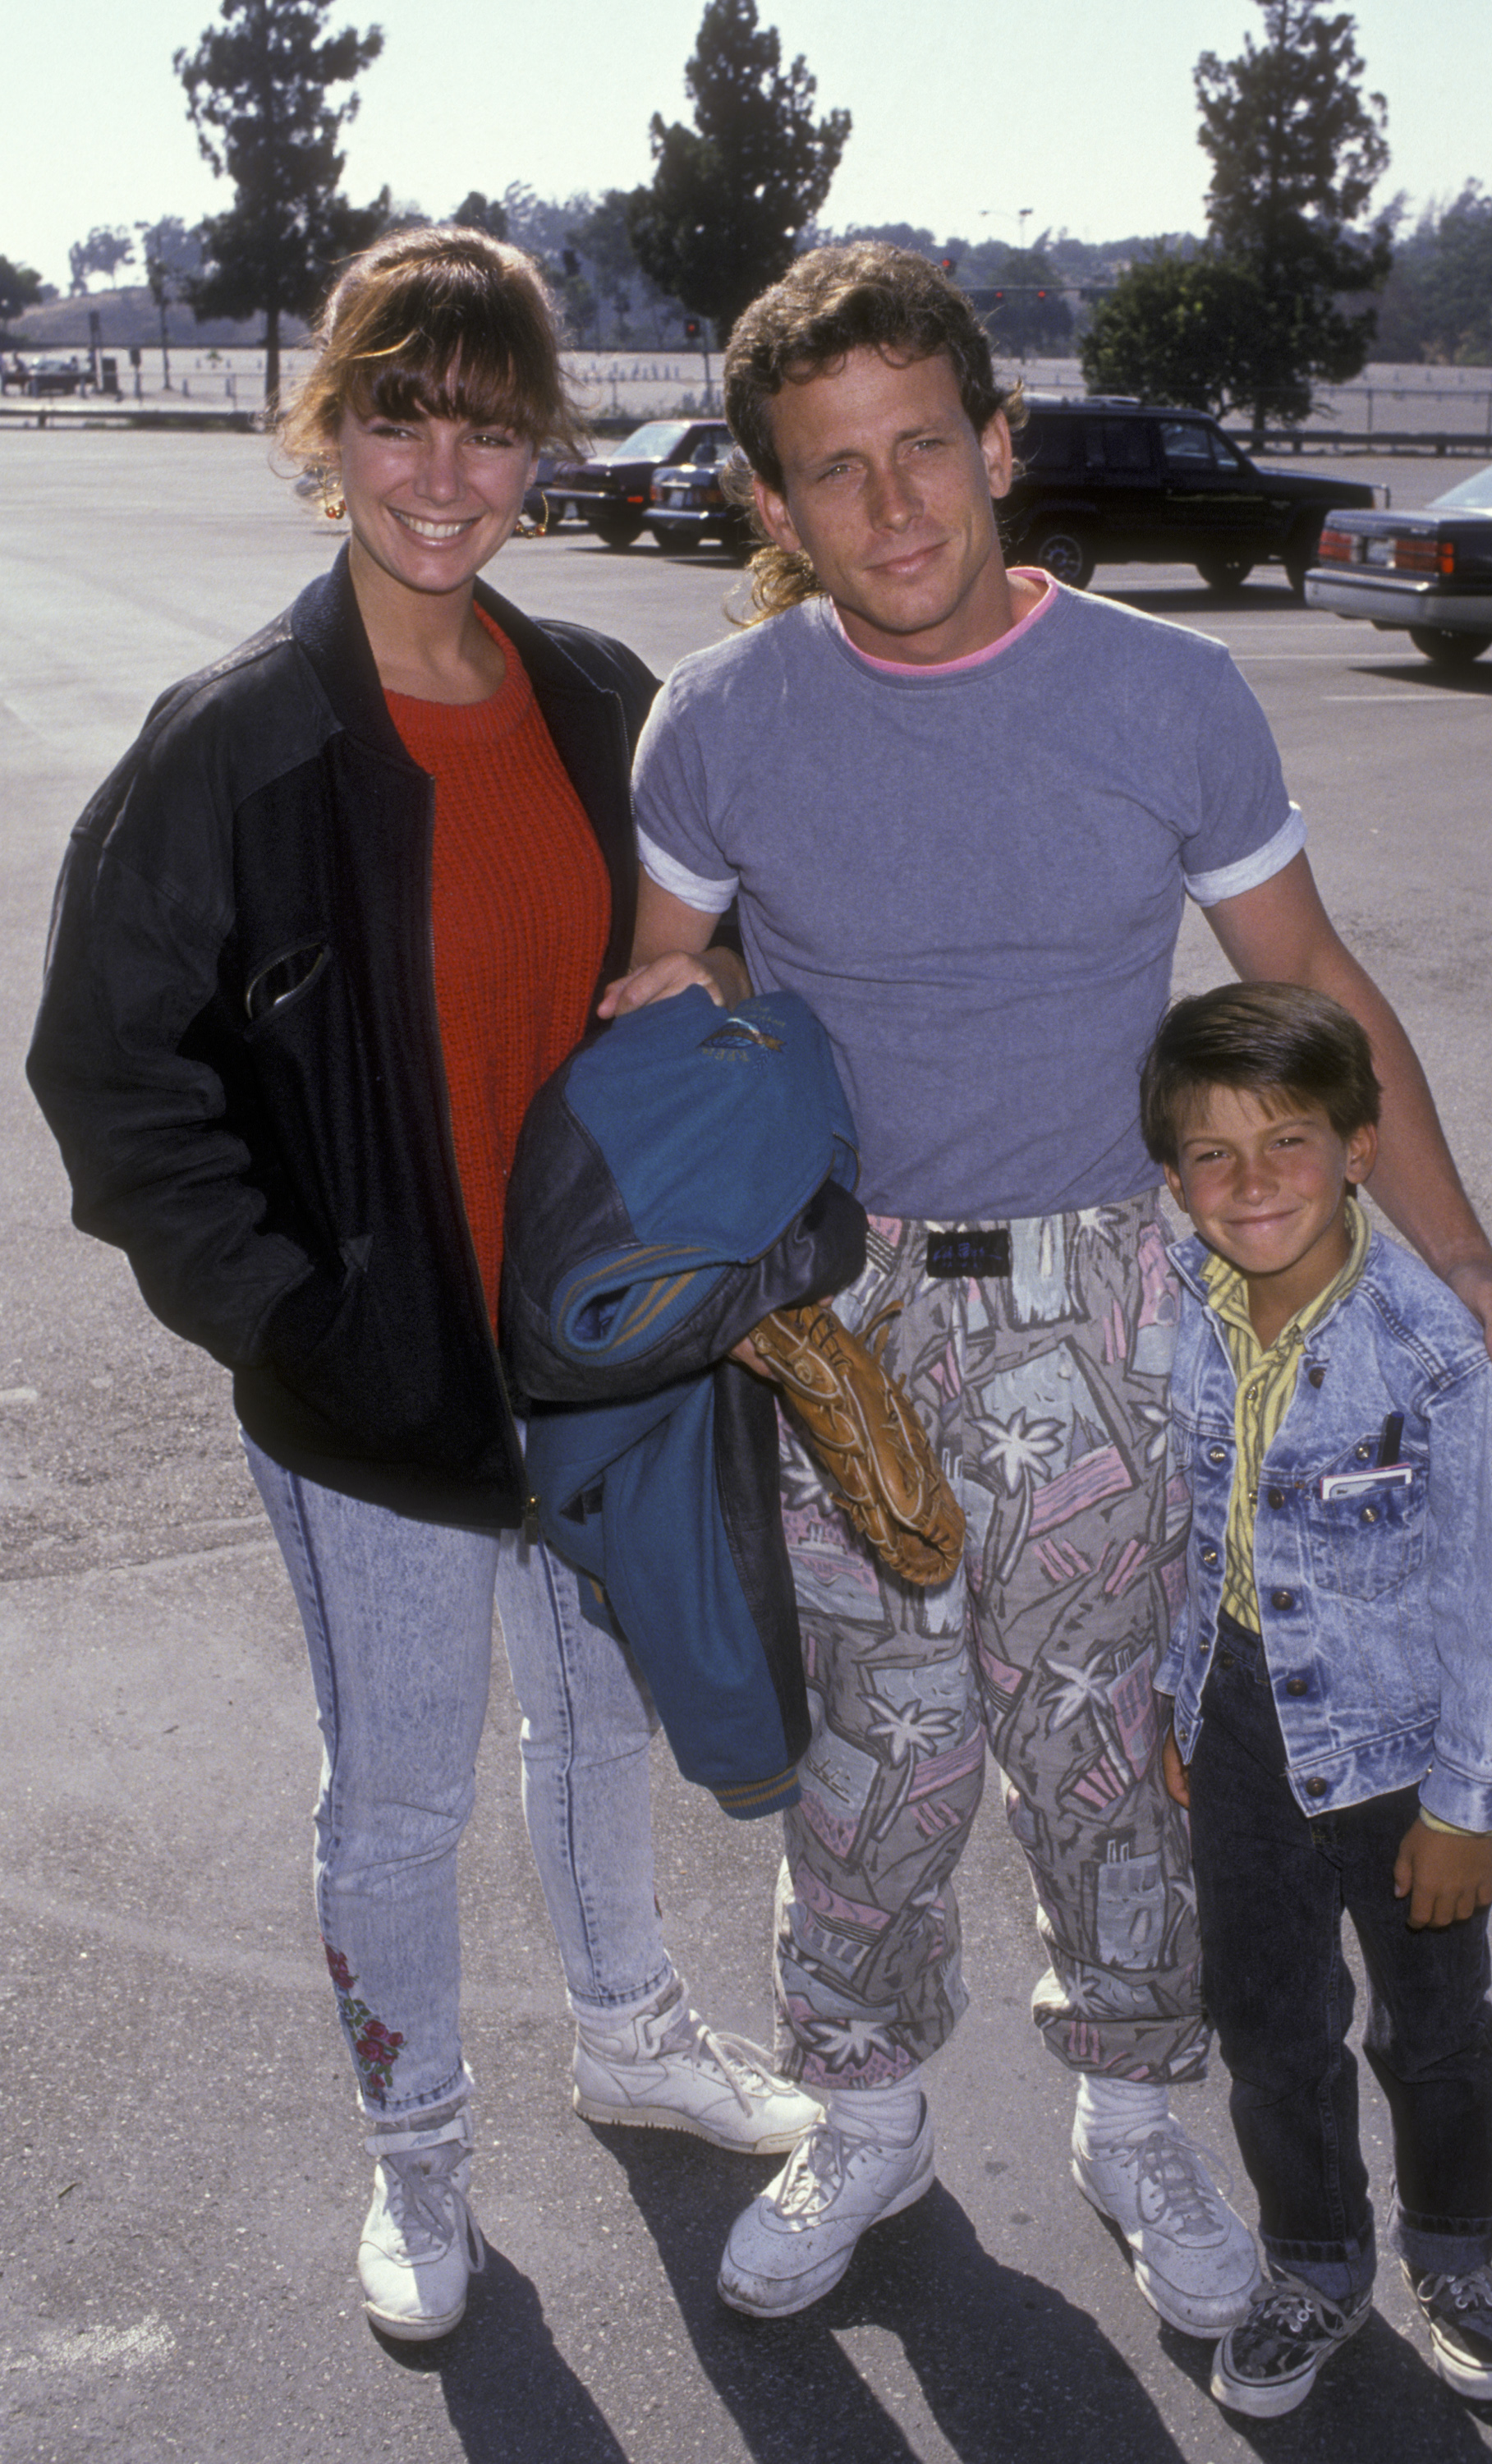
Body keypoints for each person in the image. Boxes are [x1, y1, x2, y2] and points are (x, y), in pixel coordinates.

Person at [601, 241, 1492, 2333]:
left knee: (1112, 1751)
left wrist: (1458, 1251)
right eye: (833, 473)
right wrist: (707, 1042)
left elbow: (1304, 986)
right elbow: (670, 1003)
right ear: (771, 502)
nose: (894, 510)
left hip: (1122, 1301)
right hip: (847, 1320)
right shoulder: (721, 722)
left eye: (924, 449)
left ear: (997, 439)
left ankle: (1135, 2114)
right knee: (873, 1752)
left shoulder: (1163, 693)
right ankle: (865, 2108)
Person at [25, 225, 816, 2347]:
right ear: (330, 430)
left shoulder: (593, 702)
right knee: (398, 1792)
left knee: (598, 1723)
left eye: (487, 424)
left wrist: (714, 1000)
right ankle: (421, 2160)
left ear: (537, 445)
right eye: (399, 415)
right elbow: (106, 1073)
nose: (443, 470)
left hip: (599, 1363)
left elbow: (708, 953)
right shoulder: (233, 748)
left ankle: (630, 2026)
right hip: (376, 1388)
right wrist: (298, 1314)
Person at [1141, 983, 1492, 2416]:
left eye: (1289, 1143)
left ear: (1361, 1149)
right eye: (1208, 1155)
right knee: (1267, 2021)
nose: (1249, 1185)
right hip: (1242, 1724)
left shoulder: (1439, 1349)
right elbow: (1179, 1527)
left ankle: (1453, 2256)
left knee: (1433, 2027)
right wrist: (1179, 1704)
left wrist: (1465, 1804)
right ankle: (1313, 2263)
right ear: (1173, 1175)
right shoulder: (1178, 1308)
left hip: (1399, 1748)